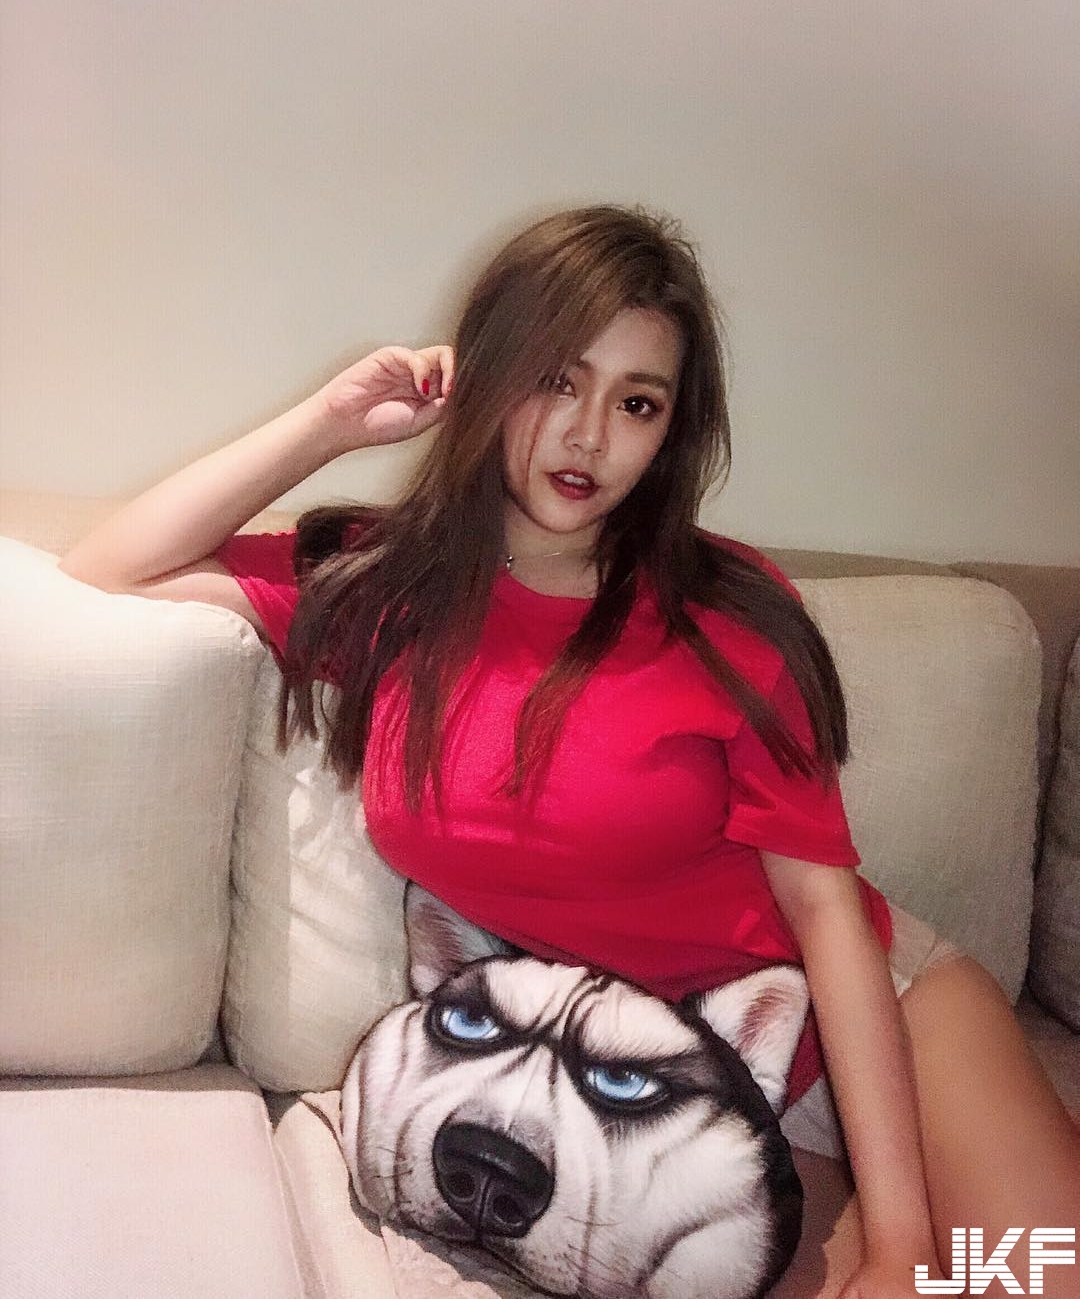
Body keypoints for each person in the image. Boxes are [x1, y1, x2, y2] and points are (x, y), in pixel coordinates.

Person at [60, 204, 1080, 1297]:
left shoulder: (728, 611)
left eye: (636, 403)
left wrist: (902, 1243)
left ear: (669, 431)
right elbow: (110, 566)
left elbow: (827, 912)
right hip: (658, 1089)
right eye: (556, 380)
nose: (589, 436)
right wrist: (331, 422)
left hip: (869, 1019)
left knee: (1033, 1278)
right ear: (490, 379)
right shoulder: (390, 591)